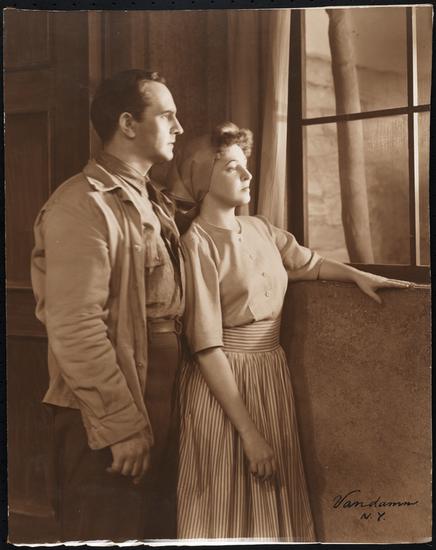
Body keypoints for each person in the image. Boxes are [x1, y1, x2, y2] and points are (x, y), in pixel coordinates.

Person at [168, 122, 411, 541]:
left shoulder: (261, 228)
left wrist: (359, 276)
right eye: (231, 168)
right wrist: (250, 434)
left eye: (245, 165)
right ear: (203, 178)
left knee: (272, 496)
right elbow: (206, 348)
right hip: (225, 387)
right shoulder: (197, 244)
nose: (247, 175)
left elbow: (309, 263)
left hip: (269, 376)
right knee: (228, 494)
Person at [31, 69, 184, 542]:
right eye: (167, 116)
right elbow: (75, 326)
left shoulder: (149, 199)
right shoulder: (81, 205)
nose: (179, 127)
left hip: (156, 406)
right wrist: (121, 427)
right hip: (106, 419)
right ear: (128, 124)